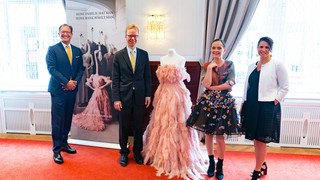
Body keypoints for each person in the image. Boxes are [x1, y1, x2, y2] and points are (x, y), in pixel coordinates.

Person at [143, 49, 206, 179]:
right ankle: (161, 156)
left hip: (177, 95)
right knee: (162, 122)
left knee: (179, 123)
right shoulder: (162, 59)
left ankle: (179, 156)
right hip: (164, 93)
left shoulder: (181, 59)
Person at [186, 39, 239, 180]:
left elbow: (230, 83)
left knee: (220, 137)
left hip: (224, 104)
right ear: (211, 49)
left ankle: (220, 165)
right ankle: (211, 163)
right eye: (214, 48)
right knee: (208, 135)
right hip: (208, 103)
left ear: (224, 50)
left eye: (219, 48)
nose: (216, 50)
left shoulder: (230, 65)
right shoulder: (206, 65)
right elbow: (206, 84)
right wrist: (209, 69)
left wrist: (214, 88)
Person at [239, 37, 289, 180]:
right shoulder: (251, 66)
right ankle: (262, 164)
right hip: (252, 105)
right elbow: (246, 87)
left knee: (261, 139)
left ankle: (257, 170)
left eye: (267, 47)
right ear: (257, 48)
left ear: (271, 49)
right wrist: (243, 104)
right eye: (261, 46)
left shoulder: (277, 65)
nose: (263, 50)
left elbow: (285, 87)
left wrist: (275, 100)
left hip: (267, 106)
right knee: (255, 139)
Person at [112, 24, 152, 167]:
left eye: (135, 35)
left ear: (138, 37)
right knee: (123, 126)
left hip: (140, 97)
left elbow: (147, 76)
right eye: (130, 35)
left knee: (138, 126)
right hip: (123, 97)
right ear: (125, 36)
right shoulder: (118, 55)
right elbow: (115, 79)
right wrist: (116, 98)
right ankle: (123, 152)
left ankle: (137, 152)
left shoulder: (144, 54)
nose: (132, 38)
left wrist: (148, 95)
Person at [46, 24, 85, 164]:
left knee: (67, 118)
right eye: (62, 32)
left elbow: (81, 69)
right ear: (59, 34)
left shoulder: (77, 51)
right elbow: (52, 69)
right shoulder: (52, 50)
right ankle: (56, 150)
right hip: (58, 91)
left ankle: (64, 144)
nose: (65, 34)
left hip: (71, 91)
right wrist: (65, 82)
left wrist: (74, 82)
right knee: (57, 121)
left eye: (67, 32)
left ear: (71, 34)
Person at [72, 50, 112, 131]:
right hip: (96, 91)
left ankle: (103, 117)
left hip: (101, 91)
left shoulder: (102, 77)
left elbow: (110, 81)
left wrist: (101, 87)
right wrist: (93, 88)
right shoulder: (93, 75)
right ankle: (97, 117)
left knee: (102, 103)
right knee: (95, 104)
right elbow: (87, 83)